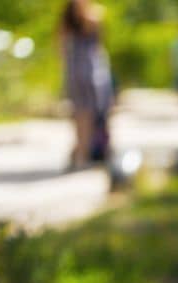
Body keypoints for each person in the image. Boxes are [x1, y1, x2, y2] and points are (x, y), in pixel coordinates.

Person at [59, 0, 114, 168]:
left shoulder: (81, 18)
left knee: (85, 113)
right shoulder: (82, 17)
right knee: (85, 113)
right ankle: (82, 152)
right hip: (85, 70)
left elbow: (62, 46)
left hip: (83, 69)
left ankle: (81, 151)